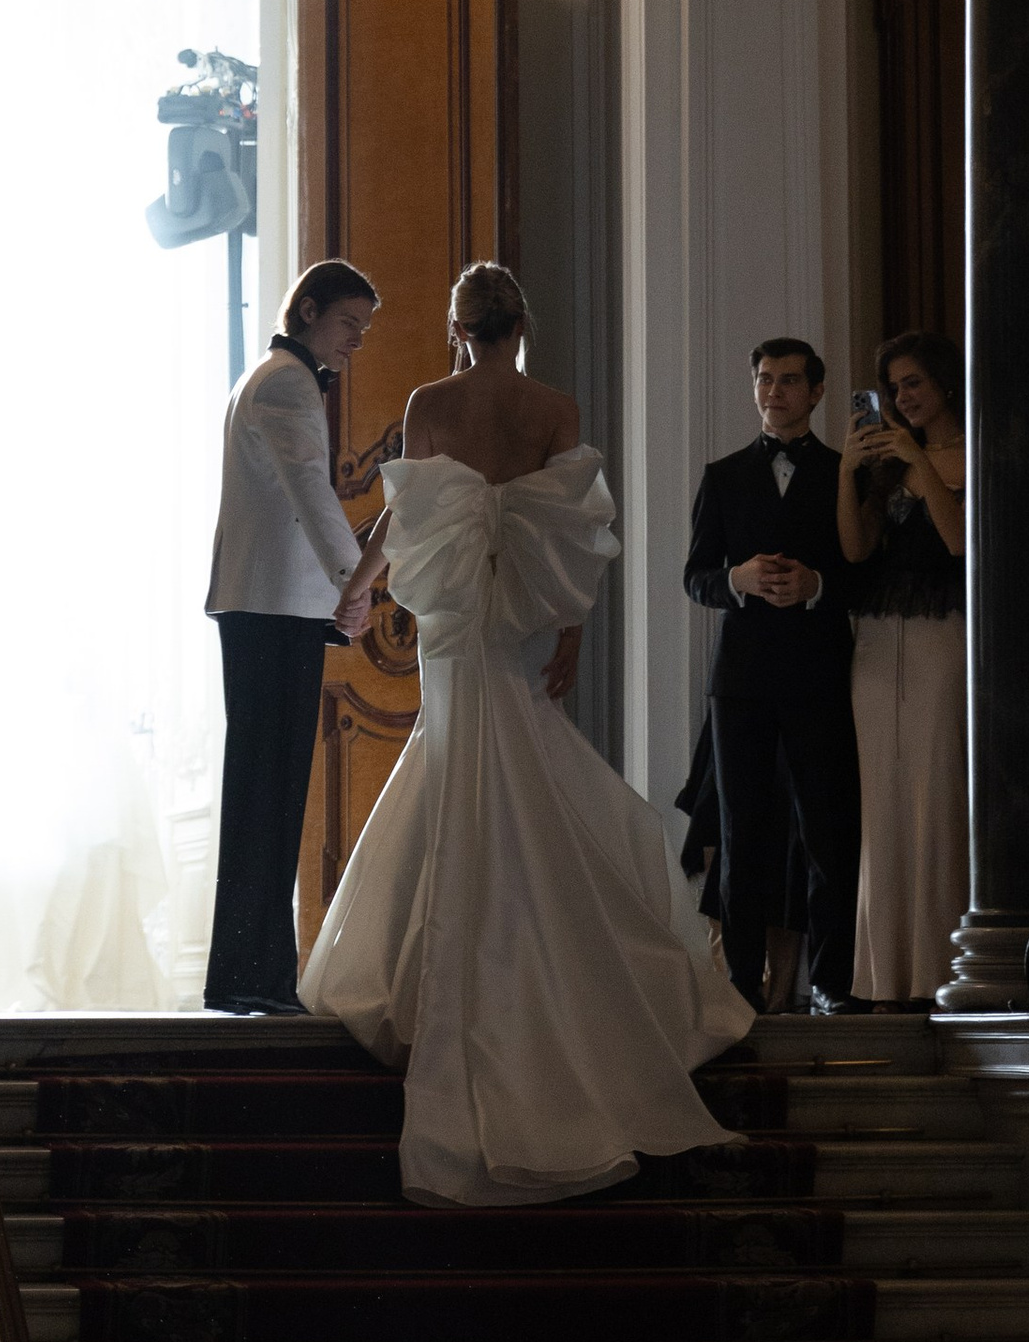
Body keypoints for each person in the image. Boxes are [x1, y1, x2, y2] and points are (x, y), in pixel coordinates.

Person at [302, 265, 749, 1205]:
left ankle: (449, 986)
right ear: (522, 324)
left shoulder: (431, 401)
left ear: (459, 326)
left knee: (461, 771)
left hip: (456, 629)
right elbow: (574, 535)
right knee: (527, 776)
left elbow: (405, 511)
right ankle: (567, 982)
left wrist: (359, 585)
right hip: (519, 624)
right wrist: (574, 633)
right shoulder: (555, 405)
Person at [201, 259, 385, 1016]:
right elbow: (311, 483)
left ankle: (256, 974)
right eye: (348, 325)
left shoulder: (274, 377)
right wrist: (357, 580)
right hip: (272, 609)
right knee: (266, 796)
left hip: (270, 607)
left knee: (268, 795)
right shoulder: (284, 381)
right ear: (308, 310)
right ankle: (252, 976)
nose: (356, 344)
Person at [684, 337, 861, 1013]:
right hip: (742, 679)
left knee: (828, 831)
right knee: (741, 833)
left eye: (789, 381)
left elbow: (863, 573)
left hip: (819, 672)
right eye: (764, 380)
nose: (774, 392)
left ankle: (831, 981)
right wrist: (738, 579)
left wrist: (816, 584)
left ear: (816, 392)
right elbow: (695, 576)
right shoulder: (723, 475)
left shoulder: (846, 473)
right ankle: (739, 985)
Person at [837, 332, 967, 1009]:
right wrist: (849, 471)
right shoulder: (888, 466)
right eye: (893, 387)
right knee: (883, 801)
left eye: (913, 382)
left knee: (935, 794)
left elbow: (958, 541)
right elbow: (856, 552)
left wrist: (919, 462)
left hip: (946, 637)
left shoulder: (974, 452)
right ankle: (884, 973)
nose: (902, 396)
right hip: (878, 643)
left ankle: (944, 967)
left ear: (944, 381)